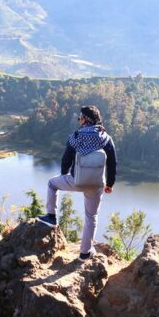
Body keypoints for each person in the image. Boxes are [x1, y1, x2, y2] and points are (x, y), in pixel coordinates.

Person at [37, 105, 117, 260]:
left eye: (80, 117)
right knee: (91, 217)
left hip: (75, 181)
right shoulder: (106, 138)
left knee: (52, 184)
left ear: (86, 119)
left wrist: (64, 174)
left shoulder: (76, 136)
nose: (79, 120)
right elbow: (113, 163)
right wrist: (110, 184)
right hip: (97, 184)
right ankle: (85, 253)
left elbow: (66, 159)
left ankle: (51, 217)